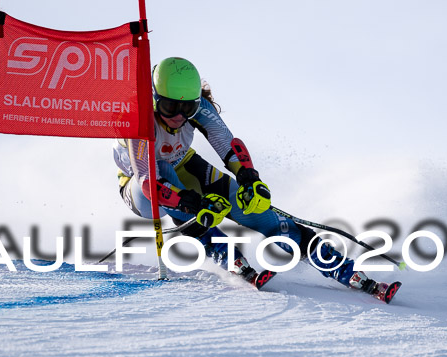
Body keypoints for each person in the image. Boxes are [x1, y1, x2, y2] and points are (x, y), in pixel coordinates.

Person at [113, 57, 378, 293]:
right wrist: (189, 202)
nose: (180, 117)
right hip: (141, 188)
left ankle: (342, 268)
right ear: (155, 97)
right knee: (171, 179)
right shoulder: (136, 116)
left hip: (185, 164)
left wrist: (250, 179)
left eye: (188, 109)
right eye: (171, 108)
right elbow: (149, 181)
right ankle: (221, 249)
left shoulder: (199, 108)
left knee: (256, 212)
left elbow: (227, 144)